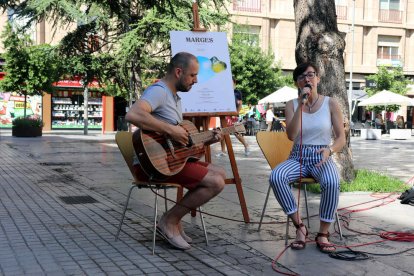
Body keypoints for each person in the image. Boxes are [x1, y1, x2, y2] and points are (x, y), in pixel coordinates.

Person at [125, 52, 226, 250]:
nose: (196, 81)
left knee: (221, 173)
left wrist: (207, 140)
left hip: (169, 161)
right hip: (152, 165)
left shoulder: (175, 98)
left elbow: (182, 144)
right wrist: (171, 129)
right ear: (179, 72)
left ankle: (175, 220)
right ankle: (169, 221)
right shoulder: (159, 91)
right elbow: (133, 114)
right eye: (193, 75)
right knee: (215, 182)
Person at [268, 62, 345, 253]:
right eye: (302, 76)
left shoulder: (331, 103)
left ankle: (323, 233)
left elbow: (341, 138)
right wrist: (301, 105)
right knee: (276, 176)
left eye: (311, 74)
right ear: (297, 83)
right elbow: (291, 135)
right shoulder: (292, 105)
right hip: (298, 156)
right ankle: (300, 227)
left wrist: (330, 150)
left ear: (318, 78)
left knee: (332, 181)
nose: (307, 79)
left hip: (321, 155)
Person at [216, 77, 250, 157]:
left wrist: (237, 112)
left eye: (231, 82)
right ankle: (223, 151)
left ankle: (246, 145)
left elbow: (240, 104)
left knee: (236, 132)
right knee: (222, 132)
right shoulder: (224, 92)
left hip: (233, 114)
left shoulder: (237, 92)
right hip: (225, 114)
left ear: (234, 83)